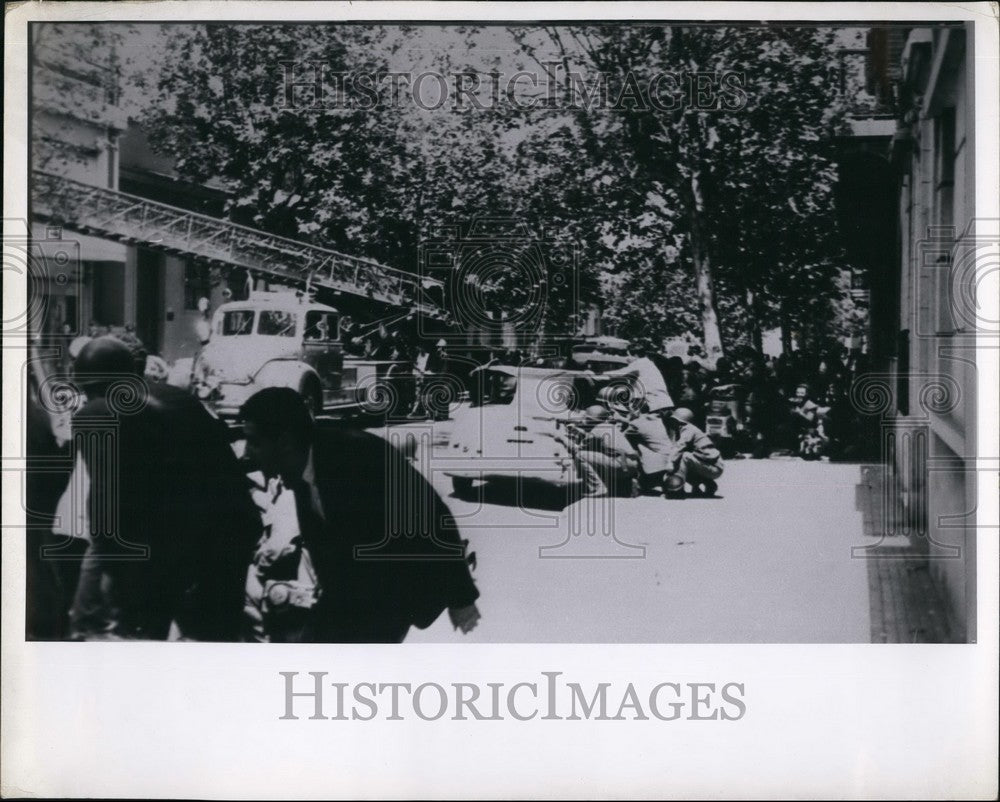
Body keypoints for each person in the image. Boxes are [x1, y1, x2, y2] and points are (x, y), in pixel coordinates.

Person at [238, 387, 481, 642]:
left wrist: (461, 599)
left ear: (285, 442)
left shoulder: (357, 457)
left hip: (391, 592)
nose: (247, 452)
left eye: (254, 442)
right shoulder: (300, 468)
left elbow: (431, 514)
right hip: (348, 594)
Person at [68, 336, 261, 640]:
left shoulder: (98, 413)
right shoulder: (177, 397)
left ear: (88, 386)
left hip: (184, 542)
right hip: (232, 529)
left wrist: (107, 580)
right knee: (214, 639)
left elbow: (106, 504)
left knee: (142, 636)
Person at [663, 407, 724, 497]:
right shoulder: (685, 430)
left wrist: (670, 462)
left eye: (674, 420)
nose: (672, 423)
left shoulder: (688, 429)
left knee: (684, 456)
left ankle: (677, 490)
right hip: (710, 466)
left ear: (680, 421)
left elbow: (679, 447)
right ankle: (707, 484)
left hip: (714, 468)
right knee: (682, 459)